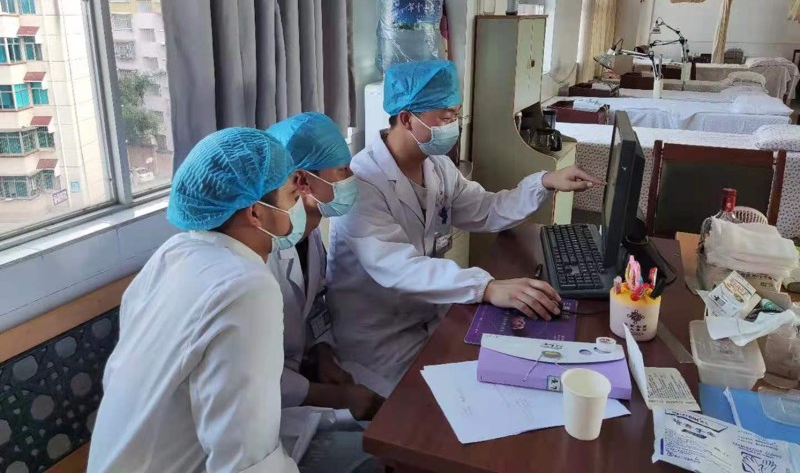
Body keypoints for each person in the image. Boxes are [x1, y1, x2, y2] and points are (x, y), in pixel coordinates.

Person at [327, 60, 603, 387]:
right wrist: (487, 287)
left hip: (427, 315)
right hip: (378, 340)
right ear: (406, 118)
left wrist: (544, 182)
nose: (453, 126)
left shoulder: (437, 167)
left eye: (456, 116)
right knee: (444, 399)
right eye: (445, 118)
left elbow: (485, 208)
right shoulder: (362, 184)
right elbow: (399, 268)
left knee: (501, 365)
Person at [88, 128, 303, 473]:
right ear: (256, 213)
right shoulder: (247, 288)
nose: (299, 205)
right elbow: (245, 457)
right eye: (292, 195)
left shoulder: (173, 253)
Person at [267, 112, 384, 473]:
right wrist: (334, 395)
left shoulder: (310, 231)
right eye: (342, 171)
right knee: (376, 453)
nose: (351, 179)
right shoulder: (262, 256)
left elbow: (316, 300)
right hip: (268, 406)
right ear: (302, 181)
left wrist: (323, 354)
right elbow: (253, 372)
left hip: (298, 378)